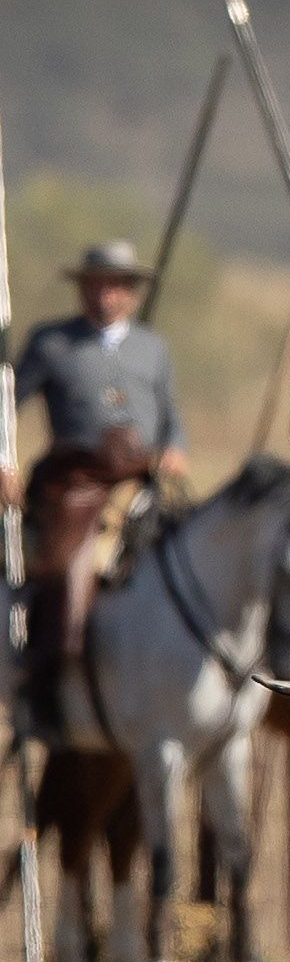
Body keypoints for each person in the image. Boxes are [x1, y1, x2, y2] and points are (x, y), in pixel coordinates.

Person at [4, 241, 188, 734]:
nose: (104, 295)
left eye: (115, 285)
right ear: (81, 288)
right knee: (64, 570)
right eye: (95, 284)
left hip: (140, 483)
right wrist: (4, 464)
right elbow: (6, 406)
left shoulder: (154, 347)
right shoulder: (52, 342)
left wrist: (176, 448)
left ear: (131, 292)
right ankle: (44, 682)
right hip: (75, 483)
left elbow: (172, 416)